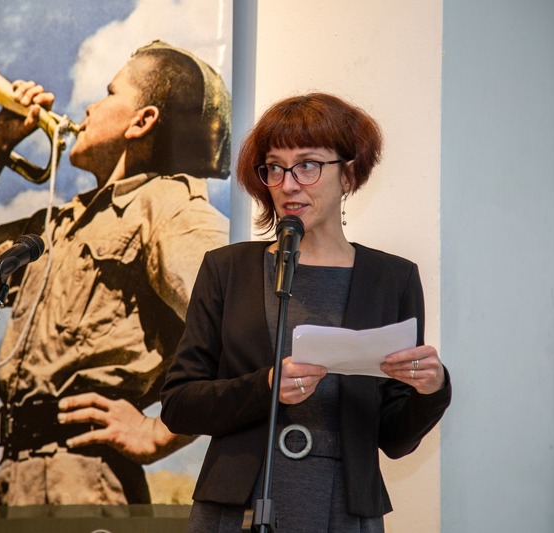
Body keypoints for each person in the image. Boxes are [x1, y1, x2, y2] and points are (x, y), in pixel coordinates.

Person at [0, 40, 231, 506]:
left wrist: (159, 433)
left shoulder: (170, 206)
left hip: (86, 478)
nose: (90, 107)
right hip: (14, 478)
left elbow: (241, 328)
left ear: (143, 121)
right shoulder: (57, 222)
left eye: (109, 93)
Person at [160, 92, 451, 531]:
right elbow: (179, 405)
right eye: (274, 167)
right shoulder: (227, 269)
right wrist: (267, 386)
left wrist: (432, 389)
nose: (289, 184)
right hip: (235, 507)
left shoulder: (393, 279)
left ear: (349, 174)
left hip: (343, 508)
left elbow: (394, 437)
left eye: (308, 165)